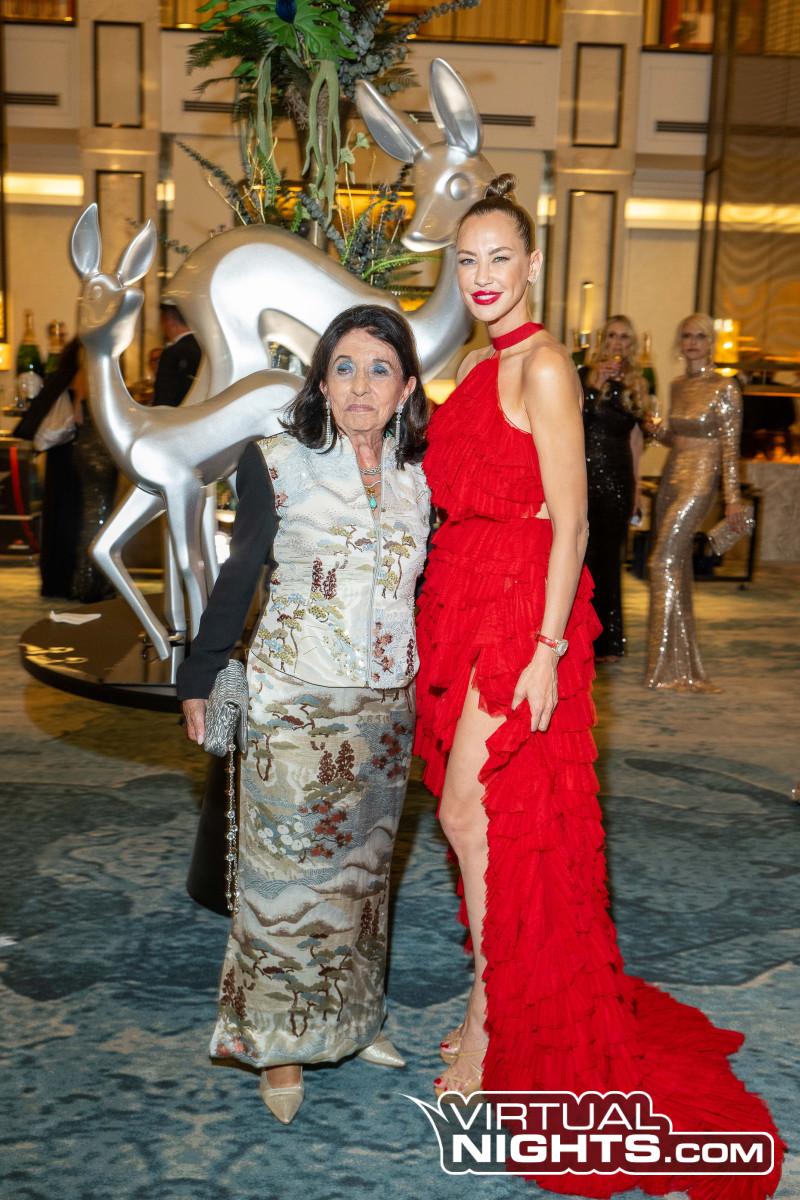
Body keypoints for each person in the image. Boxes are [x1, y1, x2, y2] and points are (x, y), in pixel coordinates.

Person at [413, 177, 782, 1198]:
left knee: (469, 813)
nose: (482, 276)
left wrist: (543, 648)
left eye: (499, 258)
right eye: (467, 261)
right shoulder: (471, 365)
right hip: (461, 595)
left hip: (515, 609)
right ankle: (496, 990)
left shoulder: (543, 367)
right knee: (478, 819)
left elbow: (572, 522)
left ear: (532, 265)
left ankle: (491, 1015)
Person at [177, 305, 430, 1126]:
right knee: (284, 886)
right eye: (344, 367)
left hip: (385, 713)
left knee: (362, 885)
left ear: (406, 388)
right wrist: (201, 673)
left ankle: (352, 1024)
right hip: (294, 707)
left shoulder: (419, 476)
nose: (360, 385)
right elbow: (241, 568)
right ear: (321, 381)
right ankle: (278, 1046)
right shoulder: (277, 460)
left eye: (380, 369)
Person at [645, 313, 746, 692]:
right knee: (677, 567)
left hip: (702, 480)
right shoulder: (676, 385)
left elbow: (730, 448)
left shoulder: (725, 387)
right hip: (672, 475)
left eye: (699, 337)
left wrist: (732, 498)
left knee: (660, 561)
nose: (692, 343)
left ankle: (662, 666)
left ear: (710, 343)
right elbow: (677, 438)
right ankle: (677, 665)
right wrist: (658, 432)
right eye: (686, 336)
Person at [13, 338, 116, 601]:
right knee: (90, 516)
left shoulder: (62, 377)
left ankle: (58, 581)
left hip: (61, 457)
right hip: (87, 455)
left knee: (59, 517)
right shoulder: (89, 378)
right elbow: (81, 417)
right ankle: (86, 582)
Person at [580, 315, 649, 661]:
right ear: (602, 340)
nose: (617, 342)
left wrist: (637, 488)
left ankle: (608, 641)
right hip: (582, 478)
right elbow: (573, 422)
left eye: (624, 337)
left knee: (609, 561)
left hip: (618, 480)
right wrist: (595, 386)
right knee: (581, 558)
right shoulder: (583, 375)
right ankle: (578, 637)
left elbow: (636, 441)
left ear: (631, 344)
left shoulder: (638, 383)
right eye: (611, 336)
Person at [152, 302, 201, 407]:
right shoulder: (205, 347)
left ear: (170, 321)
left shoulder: (172, 353)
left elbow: (164, 398)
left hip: (178, 414)